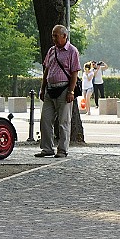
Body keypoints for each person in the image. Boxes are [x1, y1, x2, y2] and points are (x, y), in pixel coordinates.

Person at [36, 24, 81, 159]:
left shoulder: (72, 51)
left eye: (56, 36)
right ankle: (47, 148)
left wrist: (71, 92)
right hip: (50, 89)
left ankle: (62, 150)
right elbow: (47, 70)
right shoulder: (51, 51)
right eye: (52, 35)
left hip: (64, 89)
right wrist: (42, 88)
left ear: (64, 36)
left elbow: (74, 73)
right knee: (45, 119)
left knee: (63, 122)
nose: (53, 38)